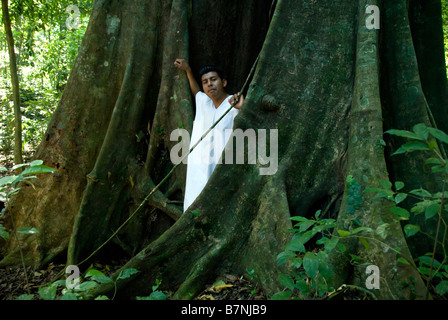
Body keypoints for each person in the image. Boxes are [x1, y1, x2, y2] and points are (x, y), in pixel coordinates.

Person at [174, 58, 244, 212]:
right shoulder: (204, 102)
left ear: (223, 82)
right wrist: (188, 71)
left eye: (213, 80)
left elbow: (249, 126)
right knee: (195, 198)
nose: (209, 84)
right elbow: (196, 92)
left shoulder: (234, 104)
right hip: (199, 164)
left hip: (220, 165)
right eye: (205, 82)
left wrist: (242, 107)